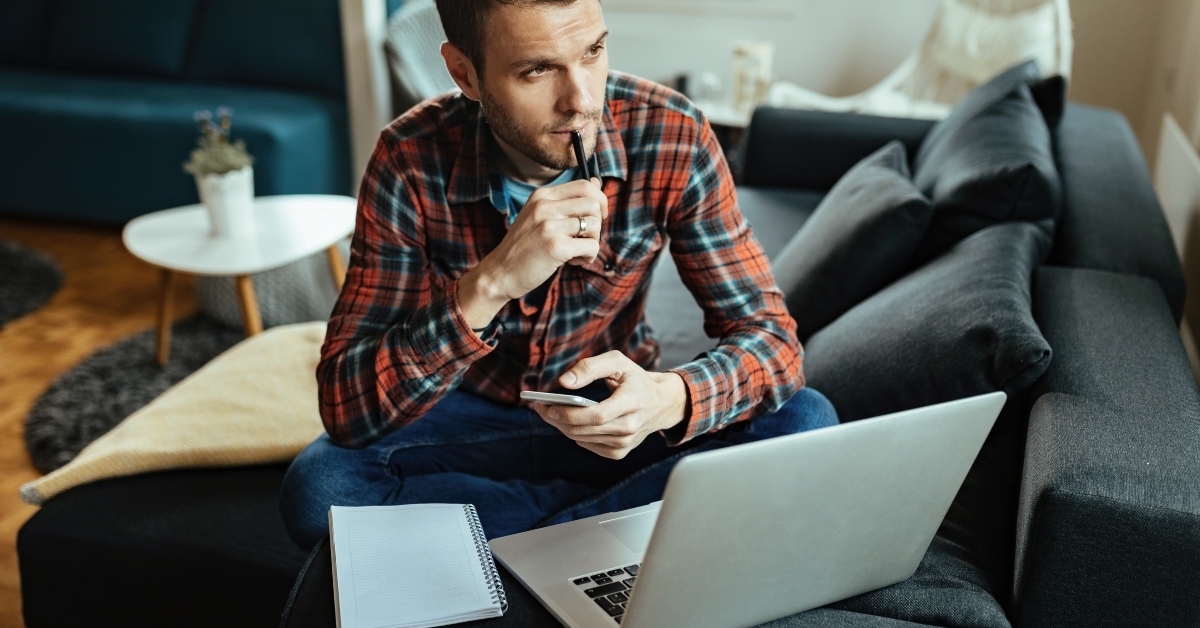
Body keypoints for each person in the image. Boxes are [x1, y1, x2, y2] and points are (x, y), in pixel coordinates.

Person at [279, 0, 837, 549]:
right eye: (537, 70)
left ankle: (512, 538)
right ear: (465, 74)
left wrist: (669, 398)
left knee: (806, 421)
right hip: (469, 416)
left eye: (592, 52)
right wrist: (491, 282)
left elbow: (771, 340)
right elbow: (346, 409)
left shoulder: (672, 133)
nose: (582, 101)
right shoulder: (408, 158)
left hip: (610, 417)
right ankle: (613, 528)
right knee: (320, 488)